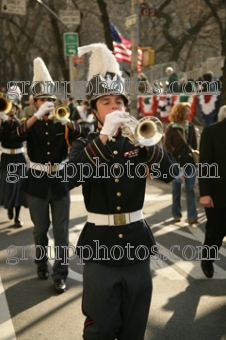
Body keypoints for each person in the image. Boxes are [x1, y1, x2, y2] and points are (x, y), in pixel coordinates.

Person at [68, 43, 178, 340]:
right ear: (93, 110)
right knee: (101, 327)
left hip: (137, 242)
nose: (115, 107)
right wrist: (103, 137)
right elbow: (68, 178)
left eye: (119, 101)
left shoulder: (137, 142)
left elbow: (171, 173)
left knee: (134, 325)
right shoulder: (86, 144)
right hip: (99, 246)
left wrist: (148, 145)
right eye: (106, 102)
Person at [11, 57, 83, 293]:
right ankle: (41, 262)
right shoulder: (28, 123)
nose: (48, 103)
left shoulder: (62, 123)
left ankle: (60, 273)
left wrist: (69, 122)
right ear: (34, 102)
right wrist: (35, 116)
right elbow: (14, 137)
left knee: (61, 232)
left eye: (50, 100)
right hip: (38, 183)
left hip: (60, 182)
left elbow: (86, 135)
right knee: (41, 229)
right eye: (43, 100)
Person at [199, 118, 226, 278]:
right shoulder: (212, 131)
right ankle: (207, 259)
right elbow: (205, 165)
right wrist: (205, 193)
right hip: (219, 195)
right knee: (215, 234)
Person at [164, 102, 198, 225]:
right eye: (186, 110)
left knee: (190, 189)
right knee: (176, 189)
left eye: (189, 110)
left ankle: (192, 217)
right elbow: (166, 147)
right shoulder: (171, 128)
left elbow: (194, 145)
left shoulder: (191, 126)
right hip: (176, 163)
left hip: (189, 163)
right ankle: (176, 214)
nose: (189, 113)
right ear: (179, 112)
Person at [0, 87, 27, 227]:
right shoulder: (2, 124)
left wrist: (7, 120)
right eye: (10, 108)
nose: (12, 110)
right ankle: (9, 208)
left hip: (19, 159)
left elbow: (17, 133)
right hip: (5, 159)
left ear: (17, 109)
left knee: (19, 189)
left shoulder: (20, 122)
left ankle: (17, 216)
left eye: (14, 108)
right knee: (7, 187)